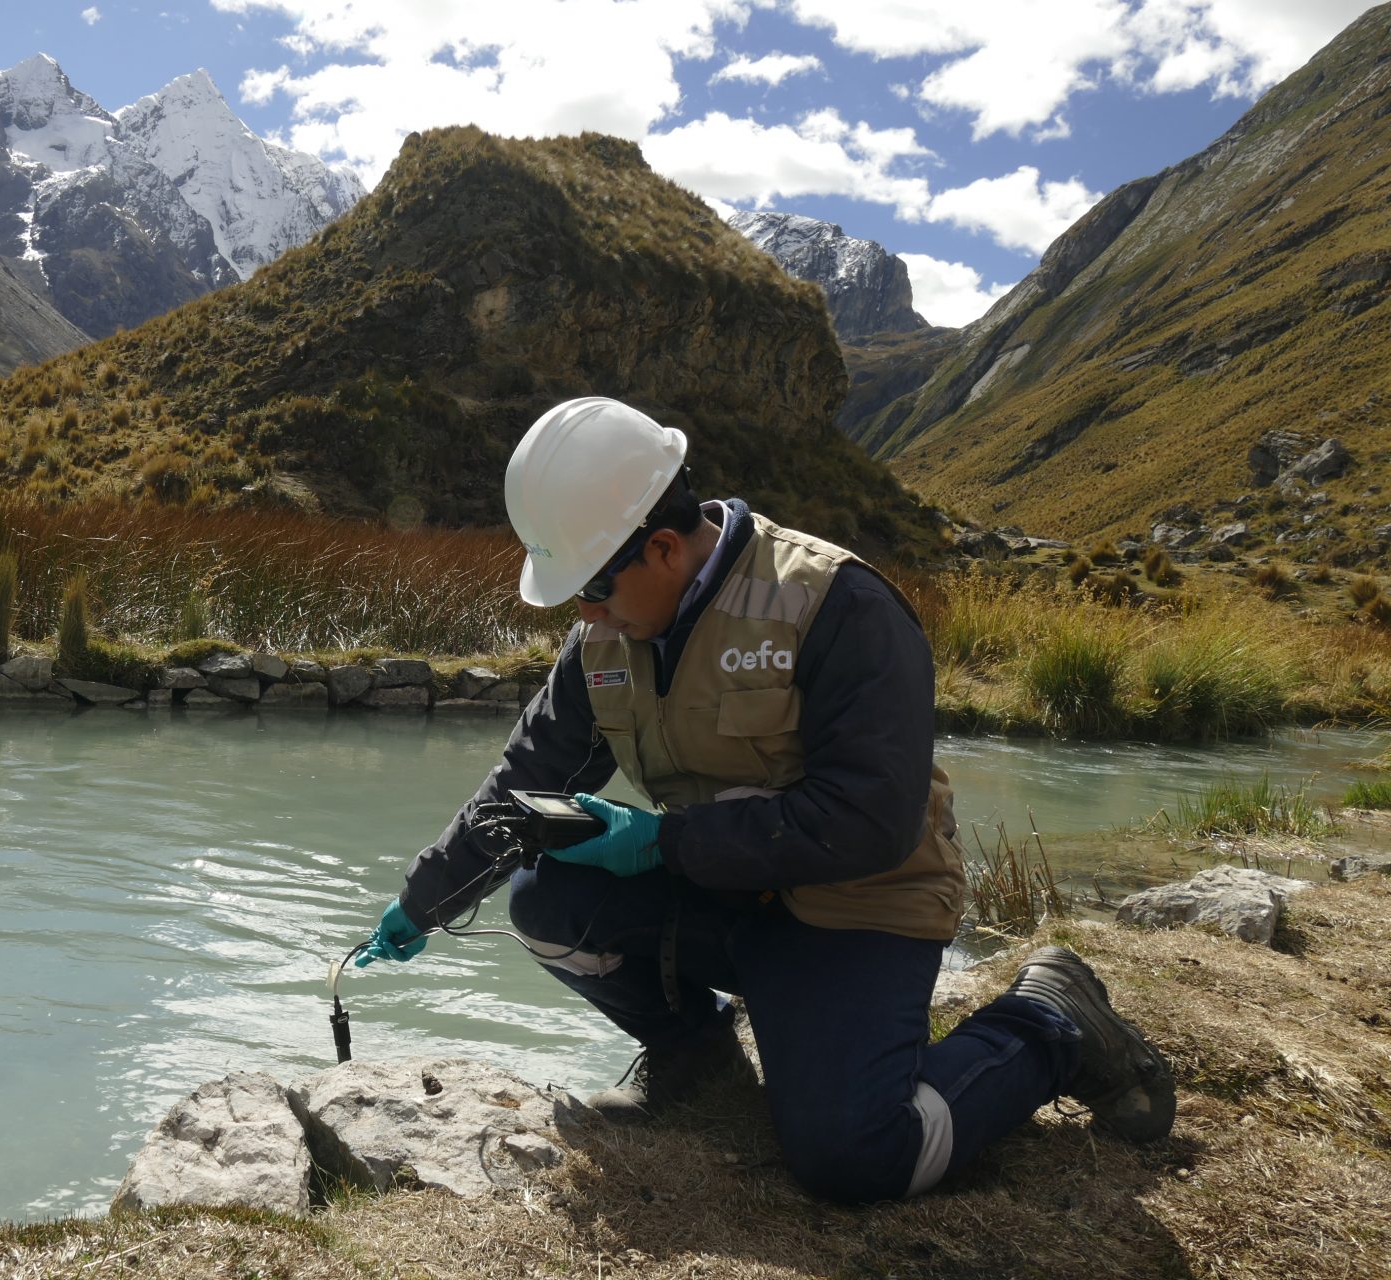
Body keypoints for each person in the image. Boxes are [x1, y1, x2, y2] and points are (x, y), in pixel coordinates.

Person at [355, 396, 1175, 1204]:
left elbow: (870, 821)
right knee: (548, 901)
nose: (586, 611)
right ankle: (699, 1059)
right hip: (725, 894)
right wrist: (425, 902)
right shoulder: (604, 637)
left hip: (860, 910)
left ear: (666, 549)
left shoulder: (834, 605)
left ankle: (1048, 1021)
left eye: (594, 587)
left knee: (854, 1158)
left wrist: (661, 844)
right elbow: (523, 784)